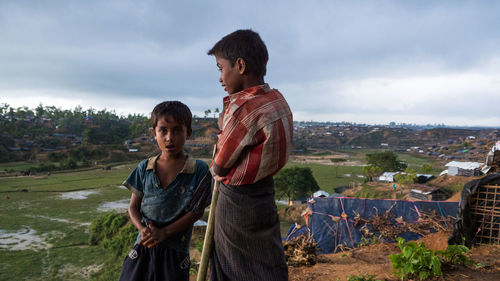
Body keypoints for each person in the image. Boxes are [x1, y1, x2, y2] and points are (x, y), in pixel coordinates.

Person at [207, 29, 293, 281]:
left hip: (238, 201)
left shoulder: (243, 109)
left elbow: (220, 166)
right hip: (264, 193)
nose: (220, 77)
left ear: (240, 65)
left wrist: (222, 133)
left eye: (221, 68)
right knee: (265, 259)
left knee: (233, 264)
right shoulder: (276, 100)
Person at [118, 101, 212, 281]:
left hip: (175, 251)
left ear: (188, 133)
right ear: (154, 133)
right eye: (163, 130)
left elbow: (197, 211)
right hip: (144, 246)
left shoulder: (198, 170)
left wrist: (165, 232)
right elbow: (133, 207)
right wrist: (142, 229)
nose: (170, 138)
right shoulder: (144, 168)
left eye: (177, 130)